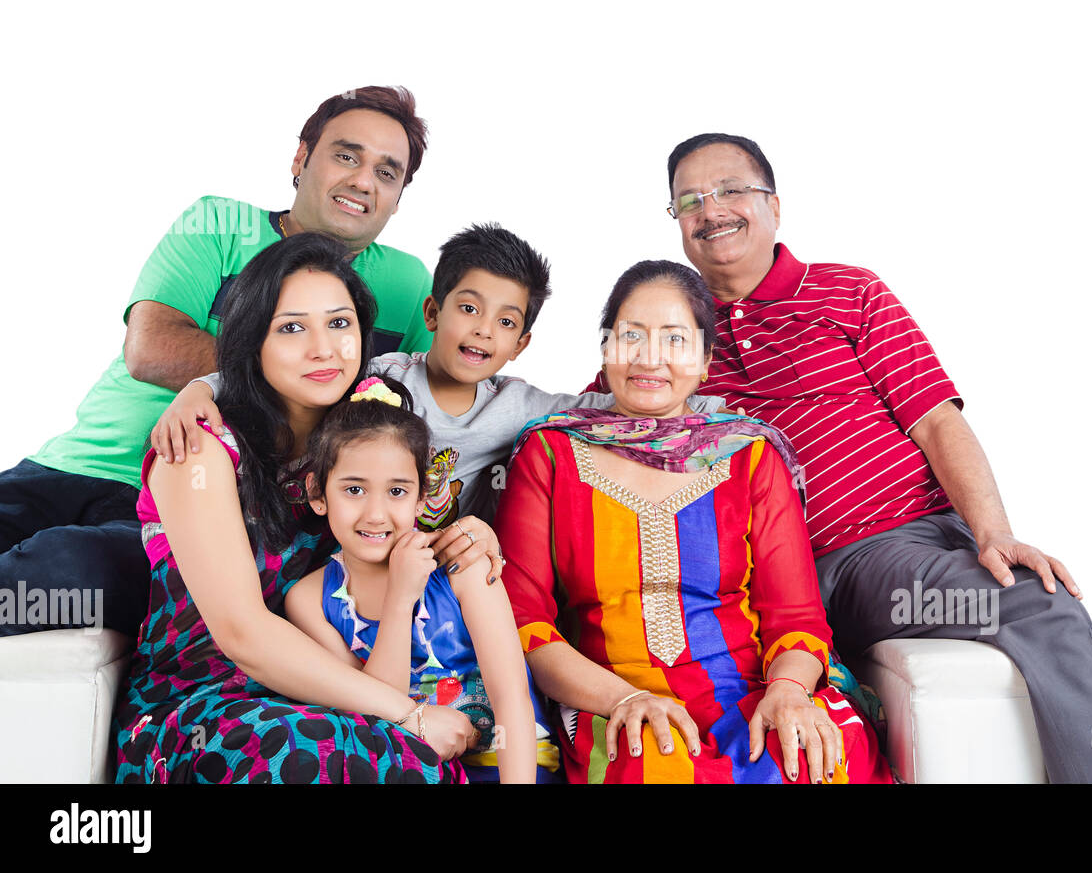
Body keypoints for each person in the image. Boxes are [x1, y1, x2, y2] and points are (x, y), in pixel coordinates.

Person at [653, 131, 1092, 783]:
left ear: (775, 205)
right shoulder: (672, 336)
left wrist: (993, 533)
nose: (712, 209)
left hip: (918, 538)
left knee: (1038, 595)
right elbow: (587, 425)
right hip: (823, 570)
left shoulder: (851, 293)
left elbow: (935, 421)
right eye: (690, 200)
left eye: (731, 189)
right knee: (1037, 606)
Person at [0, 86, 435, 638]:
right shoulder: (218, 224)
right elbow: (150, 349)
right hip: (74, 465)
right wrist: (245, 380)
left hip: (197, 504)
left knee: (58, 572)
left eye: (388, 172)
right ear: (301, 159)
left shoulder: (407, 285)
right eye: (346, 155)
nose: (363, 181)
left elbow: (410, 412)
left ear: (398, 197)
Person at [115, 233, 493, 784]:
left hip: (339, 688)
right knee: (302, 751)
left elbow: (396, 533)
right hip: (206, 700)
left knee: (410, 761)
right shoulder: (199, 447)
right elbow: (243, 634)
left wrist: (472, 532)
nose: (323, 348)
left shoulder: (360, 429)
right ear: (252, 341)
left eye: (339, 323)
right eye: (292, 327)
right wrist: (407, 714)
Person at [497, 260, 893, 784]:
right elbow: (524, 624)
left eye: (675, 340)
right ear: (605, 349)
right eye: (630, 336)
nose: (649, 357)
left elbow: (794, 616)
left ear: (707, 360)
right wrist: (627, 697)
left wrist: (789, 693)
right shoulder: (550, 453)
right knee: (651, 766)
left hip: (753, 691)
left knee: (813, 754)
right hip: (612, 698)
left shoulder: (749, 455)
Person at [152, 223, 724, 528]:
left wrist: (710, 412)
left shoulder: (518, 404)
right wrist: (198, 391)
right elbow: (265, 380)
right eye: (468, 309)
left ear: (520, 344)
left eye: (505, 322)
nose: (481, 332)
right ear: (432, 314)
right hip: (356, 541)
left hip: (448, 558)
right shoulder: (379, 376)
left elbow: (598, 410)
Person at [283, 375, 557, 783]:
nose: (376, 514)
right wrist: (400, 598)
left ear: (422, 495)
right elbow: (372, 710)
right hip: (408, 765)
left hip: (508, 764)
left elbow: (511, 698)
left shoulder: (463, 567)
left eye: (396, 492)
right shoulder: (309, 601)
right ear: (317, 493)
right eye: (354, 489)